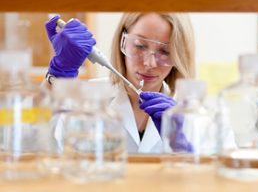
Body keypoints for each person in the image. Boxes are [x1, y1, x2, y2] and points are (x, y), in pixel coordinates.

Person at [44, 13, 196, 153]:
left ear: (180, 57)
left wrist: (181, 148)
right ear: (121, 42)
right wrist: (58, 75)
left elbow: (200, 177)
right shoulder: (86, 98)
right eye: (139, 46)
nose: (149, 63)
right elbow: (34, 145)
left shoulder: (192, 114)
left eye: (165, 52)